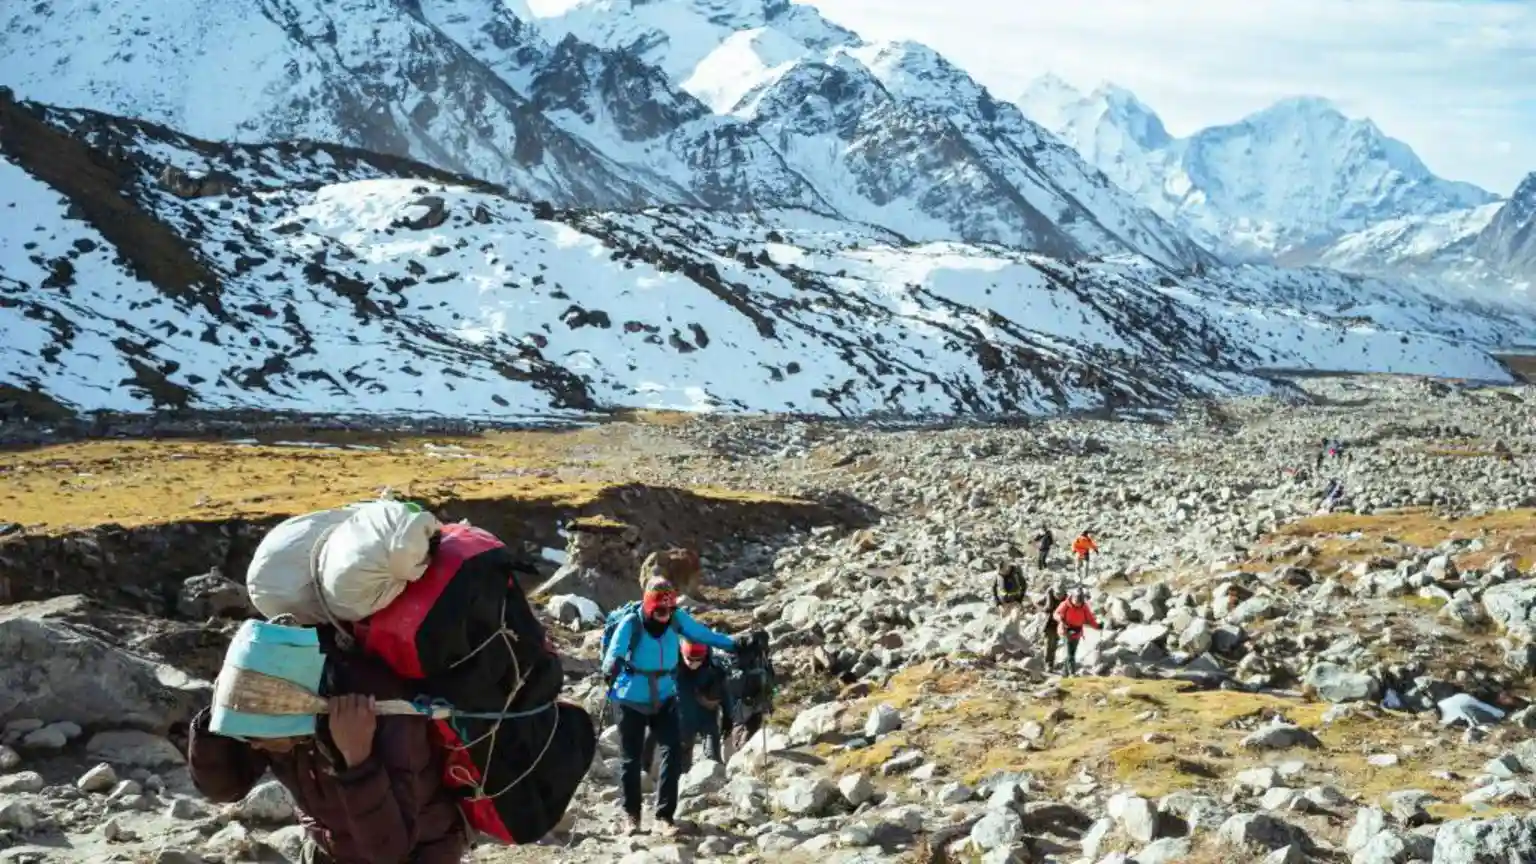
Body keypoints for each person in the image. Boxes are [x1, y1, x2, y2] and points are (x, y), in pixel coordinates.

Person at [187, 650, 467, 864]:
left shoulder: (384, 712)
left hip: (419, 853)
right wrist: (216, 721)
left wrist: (357, 759)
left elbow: (389, 851)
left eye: (253, 737)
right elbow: (223, 789)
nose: (254, 746)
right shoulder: (276, 722)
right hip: (332, 848)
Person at [604, 578, 751, 837]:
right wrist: (611, 666)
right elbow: (615, 650)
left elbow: (703, 635)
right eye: (660, 611)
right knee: (631, 758)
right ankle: (631, 816)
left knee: (672, 751)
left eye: (670, 610)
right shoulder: (631, 623)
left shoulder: (677, 619)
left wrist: (736, 644)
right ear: (649, 606)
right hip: (629, 698)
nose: (665, 616)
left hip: (665, 696)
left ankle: (664, 817)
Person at [642, 639, 730, 775]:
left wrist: (727, 722)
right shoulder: (669, 667)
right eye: (690, 659)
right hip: (682, 721)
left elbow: (725, 696)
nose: (693, 664)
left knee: (713, 761)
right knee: (682, 764)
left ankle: (714, 790)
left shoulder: (715, 669)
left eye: (698, 660)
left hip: (708, 721)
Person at [1053, 588, 1102, 677]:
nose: (1078, 604)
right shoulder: (1065, 604)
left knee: (1072, 652)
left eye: (1080, 602)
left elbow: (1090, 619)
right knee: (1069, 653)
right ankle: (1072, 673)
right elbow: (1055, 614)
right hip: (1065, 630)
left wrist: (1098, 626)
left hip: (1077, 631)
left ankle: (1065, 673)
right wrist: (1060, 619)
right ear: (1073, 598)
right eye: (1076, 601)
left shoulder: (1084, 607)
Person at [1037, 581, 1067, 671]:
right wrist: (1042, 611)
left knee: (1054, 645)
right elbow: (1038, 603)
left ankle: (1051, 664)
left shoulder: (1067, 600)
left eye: (1061, 593)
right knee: (1049, 644)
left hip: (1058, 625)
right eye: (1057, 593)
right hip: (1048, 624)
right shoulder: (1049, 596)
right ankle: (1048, 664)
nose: (1059, 595)